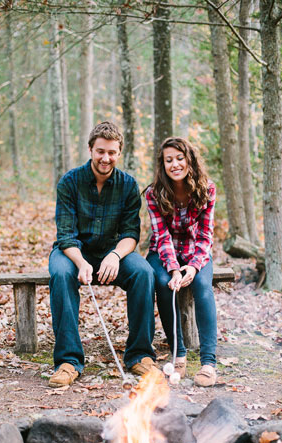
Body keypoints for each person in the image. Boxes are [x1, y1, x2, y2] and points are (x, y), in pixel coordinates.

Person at [48, 121, 157, 388]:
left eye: (111, 152)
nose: (105, 158)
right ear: (90, 149)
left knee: (144, 273)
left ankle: (139, 354)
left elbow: (131, 234)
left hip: (113, 252)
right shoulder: (70, 182)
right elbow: (65, 234)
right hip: (73, 252)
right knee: (61, 273)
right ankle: (68, 361)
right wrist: (81, 262)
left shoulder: (129, 186)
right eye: (100, 151)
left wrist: (115, 256)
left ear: (118, 153)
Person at [145, 137, 218, 387]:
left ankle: (208, 362)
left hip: (196, 252)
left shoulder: (207, 189)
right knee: (166, 285)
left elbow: (206, 234)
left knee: (202, 288)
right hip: (163, 253)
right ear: (162, 165)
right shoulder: (153, 194)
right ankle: (180, 352)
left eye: (179, 158)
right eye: (169, 160)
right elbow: (161, 236)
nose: (175, 164)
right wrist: (174, 269)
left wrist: (194, 266)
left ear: (189, 160)